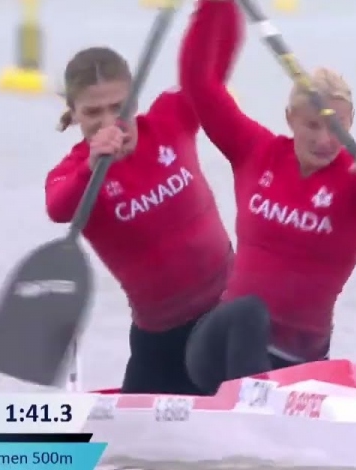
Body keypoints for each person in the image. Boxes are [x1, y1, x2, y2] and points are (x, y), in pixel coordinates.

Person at [179, 0, 356, 394]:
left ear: (351, 124)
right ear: (290, 119)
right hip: (219, 348)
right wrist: (213, 7)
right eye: (312, 126)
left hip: (300, 361)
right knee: (250, 311)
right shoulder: (256, 151)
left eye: (336, 128)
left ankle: (263, 416)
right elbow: (201, 84)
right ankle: (249, 409)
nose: (323, 140)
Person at [44, 45, 262, 395]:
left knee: (250, 311)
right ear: (74, 114)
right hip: (158, 338)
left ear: (134, 98)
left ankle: (258, 408)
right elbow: (58, 208)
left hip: (225, 312)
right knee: (130, 450)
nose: (107, 121)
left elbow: (208, 66)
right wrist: (92, 166)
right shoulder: (74, 173)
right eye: (93, 112)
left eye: (118, 107)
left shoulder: (168, 119)